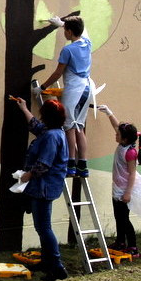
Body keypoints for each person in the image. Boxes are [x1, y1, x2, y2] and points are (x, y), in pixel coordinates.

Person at [14, 97, 69, 281]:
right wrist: (24, 108)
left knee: (44, 228)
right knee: (42, 227)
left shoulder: (52, 137)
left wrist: (25, 177)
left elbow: (43, 165)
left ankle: (56, 266)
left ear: (47, 116)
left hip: (43, 188)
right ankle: (47, 262)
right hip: (45, 187)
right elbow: (36, 127)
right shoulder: (53, 131)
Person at [35, 15, 95, 177]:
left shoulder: (68, 50)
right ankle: (82, 166)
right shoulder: (87, 43)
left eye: (65, 30)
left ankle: (70, 165)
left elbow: (58, 73)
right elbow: (83, 29)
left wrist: (42, 87)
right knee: (79, 127)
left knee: (68, 127)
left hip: (75, 89)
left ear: (69, 32)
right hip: (88, 88)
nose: (64, 33)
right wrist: (62, 23)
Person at [98, 105, 141, 258]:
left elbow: (132, 174)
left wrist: (127, 193)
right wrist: (109, 112)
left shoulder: (130, 152)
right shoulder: (123, 143)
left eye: (118, 134)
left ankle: (133, 246)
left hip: (125, 188)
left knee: (124, 218)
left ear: (125, 138)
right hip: (117, 186)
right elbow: (116, 125)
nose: (115, 135)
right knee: (118, 216)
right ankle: (120, 242)